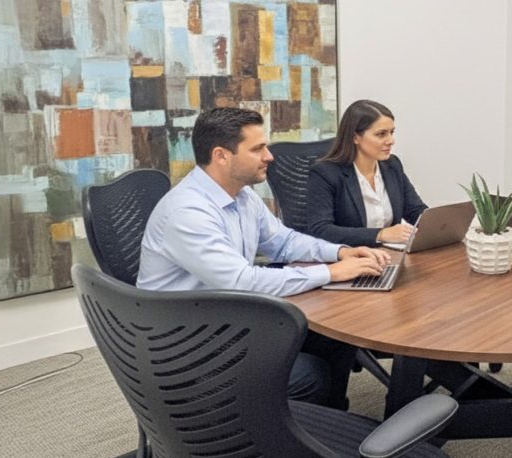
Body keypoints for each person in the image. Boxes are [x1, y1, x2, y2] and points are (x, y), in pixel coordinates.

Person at [137, 106, 390, 408]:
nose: (269, 156)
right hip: (192, 346)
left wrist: (339, 252)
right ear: (221, 156)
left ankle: (331, 424)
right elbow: (242, 282)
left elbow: (283, 242)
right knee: (310, 376)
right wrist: (332, 272)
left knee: (336, 335)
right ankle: (289, 443)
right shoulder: (189, 213)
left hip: (227, 319)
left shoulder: (242, 195)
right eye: (258, 149)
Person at [306, 100, 428, 247]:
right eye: (381, 134)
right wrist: (380, 234)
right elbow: (321, 230)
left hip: (388, 256)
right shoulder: (325, 173)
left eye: (391, 132)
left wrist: (441, 226)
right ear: (355, 137)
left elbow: (415, 211)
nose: (391, 141)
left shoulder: (392, 165)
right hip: (348, 260)